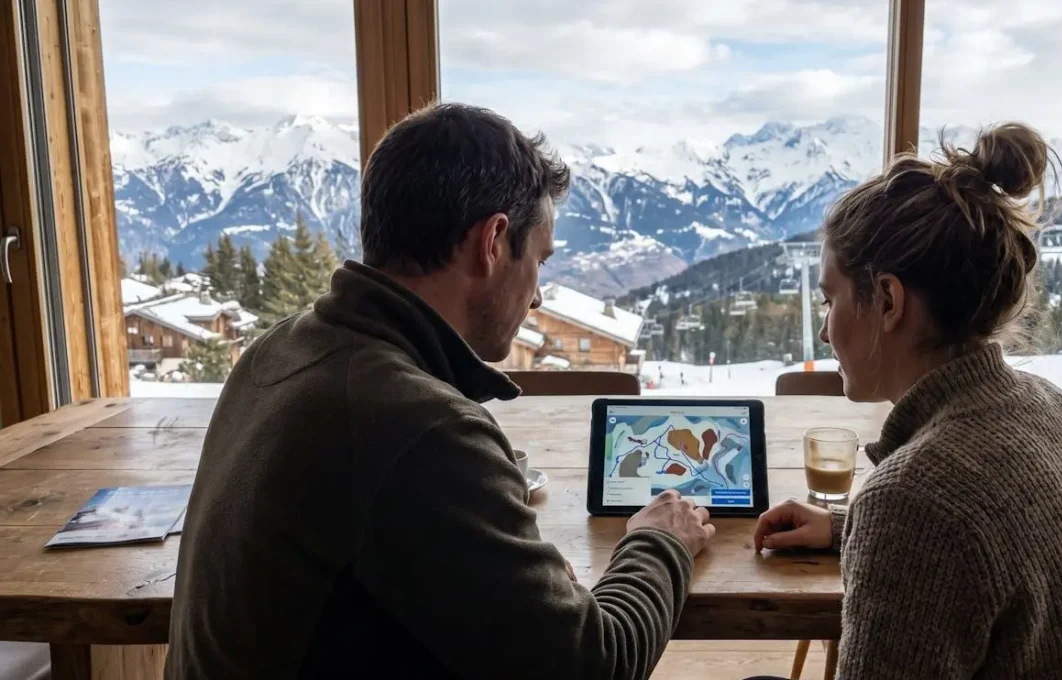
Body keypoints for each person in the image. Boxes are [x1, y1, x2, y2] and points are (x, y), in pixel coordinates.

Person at [166, 103, 715, 679]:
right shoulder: (420, 428)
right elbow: (595, 666)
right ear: (494, 242)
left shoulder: (280, 349)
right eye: (541, 261)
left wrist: (512, 587)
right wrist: (660, 541)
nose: (538, 299)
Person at [753, 124, 1062, 679]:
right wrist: (850, 529)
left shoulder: (913, 500)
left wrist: (880, 528)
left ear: (888, 301)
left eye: (830, 299)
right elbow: (994, 555)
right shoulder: (1054, 410)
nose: (824, 332)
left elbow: (938, 522)